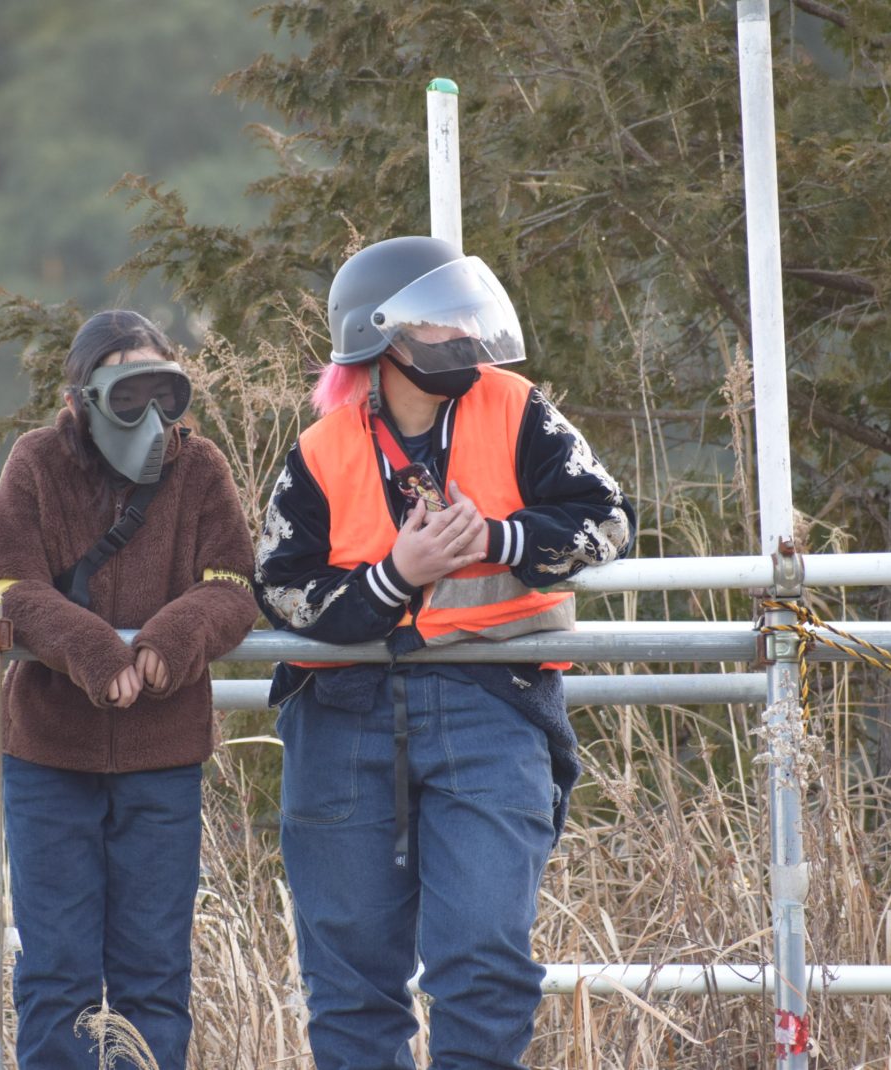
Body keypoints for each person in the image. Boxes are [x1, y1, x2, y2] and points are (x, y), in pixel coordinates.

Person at [254, 236, 635, 1070]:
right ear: (381, 337)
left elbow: (609, 520)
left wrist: (500, 539)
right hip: (342, 717)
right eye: (442, 321)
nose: (466, 335)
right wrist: (397, 576)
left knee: (485, 963)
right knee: (350, 986)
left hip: (492, 703)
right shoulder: (320, 450)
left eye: (468, 315)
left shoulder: (519, 407)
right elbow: (279, 588)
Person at [0, 309, 259, 1069]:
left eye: (164, 391)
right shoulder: (38, 461)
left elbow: (233, 585)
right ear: (81, 399)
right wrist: (95, 650)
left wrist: (173, 638)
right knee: (57, 977)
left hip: (162, 761)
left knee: (154, 980)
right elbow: (5, 584)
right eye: (127, 395)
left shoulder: (200, 468)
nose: (151, 415)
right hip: (49, 758)